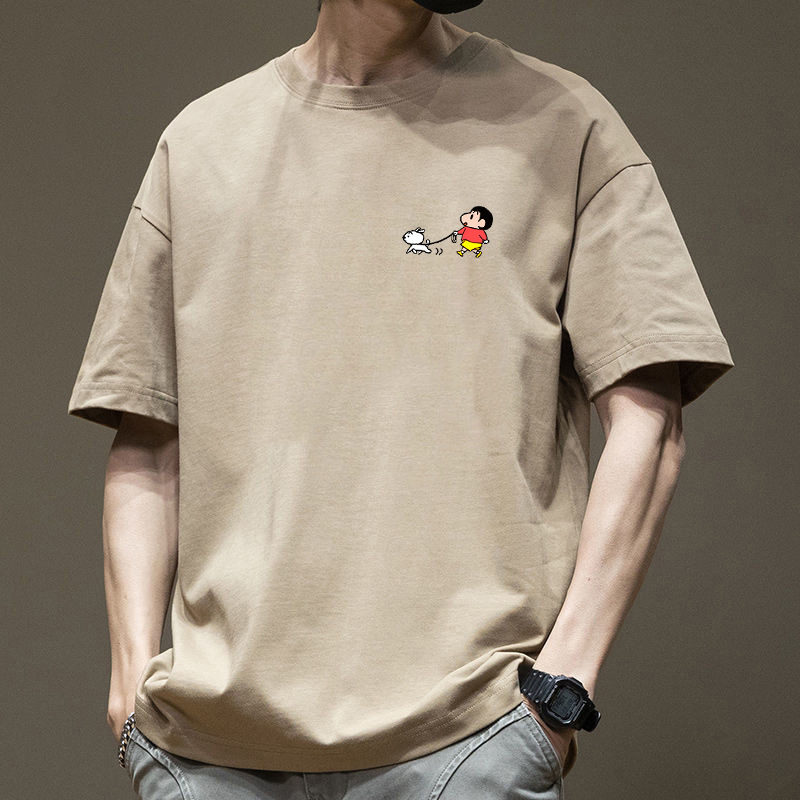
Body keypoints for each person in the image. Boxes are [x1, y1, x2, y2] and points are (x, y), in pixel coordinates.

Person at [67, 1, 735, 798]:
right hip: (207, 756)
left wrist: (562, 685)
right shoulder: (201, 145)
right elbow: (147, 437)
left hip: (463, 747)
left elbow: (649, 418)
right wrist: (131, 686)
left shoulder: (563, 125)